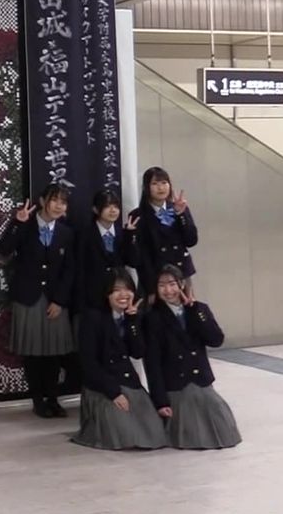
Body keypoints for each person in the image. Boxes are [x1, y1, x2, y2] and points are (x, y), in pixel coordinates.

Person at [0, 183, 75, 418]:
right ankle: (38, 400)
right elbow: (4, 249)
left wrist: (60, 300)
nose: (59, 206)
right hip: (28, 297)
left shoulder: (66, 233)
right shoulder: (25, 225)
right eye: (54, 200)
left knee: (52, 353)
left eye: (63, 202)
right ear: (43, 201)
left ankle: (53, 399)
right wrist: (17, 222)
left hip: (53, 300)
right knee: (33, 352)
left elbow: (69, 270)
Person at [144, 265, 242, 450]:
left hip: (201, 380)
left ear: (182, 284)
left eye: (172, 284)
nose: (168, 290)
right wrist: (160, 401)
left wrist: (194, 309)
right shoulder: (152, 318)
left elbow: (215, 340)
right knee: (190, 432)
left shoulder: (199, 310)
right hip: (176, 384)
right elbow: (152, 363)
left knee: (223, 426)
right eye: (162, 286)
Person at [72, 270, 167, 450]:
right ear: (107, 293)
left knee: (155, 432)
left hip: (128, 382)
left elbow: (138, 352)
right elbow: (89, 363)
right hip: (102, 386)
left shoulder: (132, 317)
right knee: (124, 433)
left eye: (128, 289)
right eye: (117, 290)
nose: (123, 295)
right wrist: (113, 392)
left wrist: (131, 322)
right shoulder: (92, 318)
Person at [129, 167, 197, 301]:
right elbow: (141, 257)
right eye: (155, 184)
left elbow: (191, 240)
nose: (161, 188)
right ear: (146, 188)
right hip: (155, 277)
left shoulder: (179, 207)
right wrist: (150, 288)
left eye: (164, 183)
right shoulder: (138, 215)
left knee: (187, 314)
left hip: (181, 275)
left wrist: (181, 214)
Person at [75, 189, 140, 313]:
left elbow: (133, 261)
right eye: (107, 206)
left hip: (118, 297)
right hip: (92, 297)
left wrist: (130, 235)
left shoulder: (123, 233)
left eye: (116, 206)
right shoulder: (84, 234)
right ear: (95, 209)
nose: (113, 210)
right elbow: (79, 268)